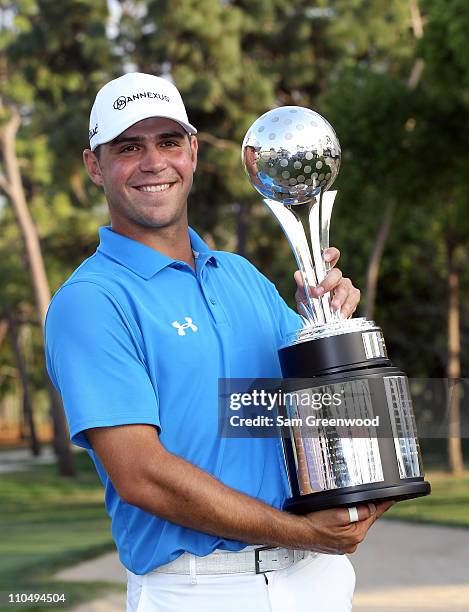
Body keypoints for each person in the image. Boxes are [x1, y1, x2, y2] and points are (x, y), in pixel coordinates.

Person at [45, 72, 392, 612]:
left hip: (318, 581)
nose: (153, 162)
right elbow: (141, 476)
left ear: (193, 152)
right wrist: (306, 533)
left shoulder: (239, 274)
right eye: (128, 147)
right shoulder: (90, 301)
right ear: (95, 165)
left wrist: (330, 332)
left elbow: (310, 410)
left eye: (168, 142)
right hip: (202, 590)